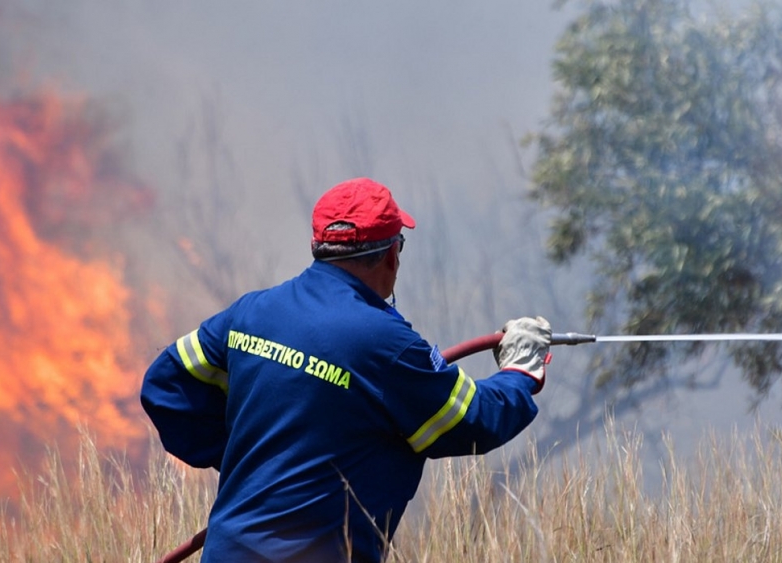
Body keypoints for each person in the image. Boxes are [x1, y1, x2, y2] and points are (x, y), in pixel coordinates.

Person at [141, 177, 553, 562]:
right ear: (392, 254)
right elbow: (473, 420)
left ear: (318, 244)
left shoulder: (251, 312)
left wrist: (245, 459)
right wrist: (520, 371)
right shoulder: (386, 344)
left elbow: (165, 387)